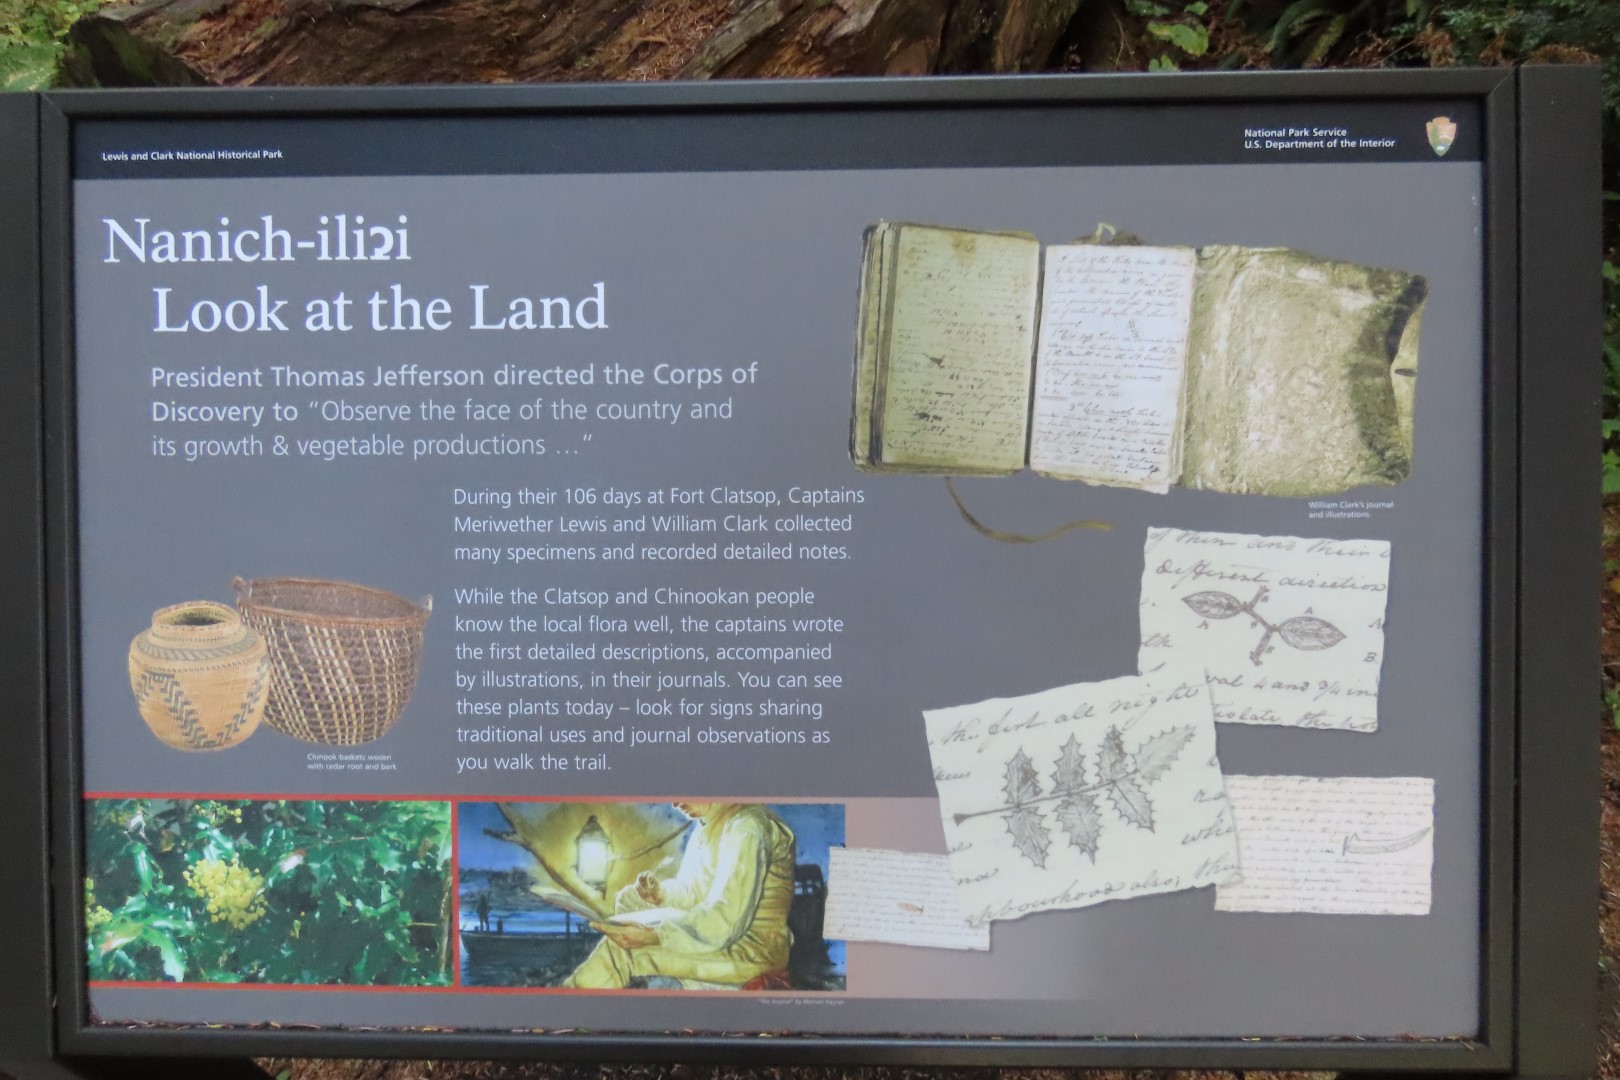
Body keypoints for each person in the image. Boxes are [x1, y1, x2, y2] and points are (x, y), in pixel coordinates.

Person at [562, 802, 796, 990]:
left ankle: (565, 1015)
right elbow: (695, 892)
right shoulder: (708, 827)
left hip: (749, 950)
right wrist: (659, 894)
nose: (675, 803)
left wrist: (654, 936)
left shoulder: (747, 828)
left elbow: (727, 919)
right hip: (720, 936)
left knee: (619, 950)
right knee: (629, 900)